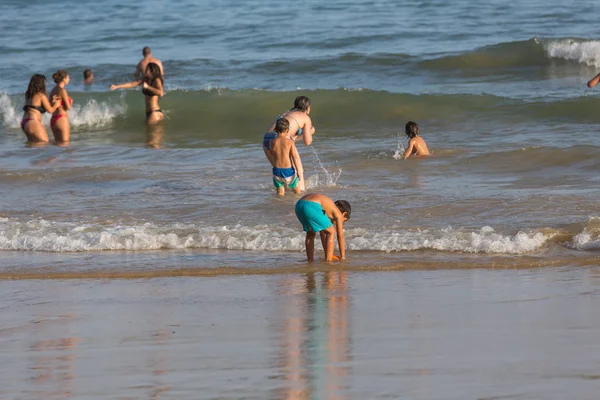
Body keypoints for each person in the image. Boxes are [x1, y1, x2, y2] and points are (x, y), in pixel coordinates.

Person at [263, 96, 315, 190]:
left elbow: (284, 135)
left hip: (267, 140)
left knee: (280, 171)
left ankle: (282, 197)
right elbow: (308, 142)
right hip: (280, 139)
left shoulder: (287, 112)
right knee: (297, 172)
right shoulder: (305, 117)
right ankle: (300, 195)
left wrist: (295, 137)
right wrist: (310, 132)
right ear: (308, 107)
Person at [295, 193, 351, 262]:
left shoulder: (326, 208)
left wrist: (328, 252)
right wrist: (343, 257)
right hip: (312, 206)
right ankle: (328, 261)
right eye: (344, 221)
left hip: (299, 205)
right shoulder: (338, 213)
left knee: (310, 233)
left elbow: (323, 233)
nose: (341, 223)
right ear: (344, 214)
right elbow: (340, 236)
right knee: (332, 232)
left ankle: (310, 260)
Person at [21, 74, 62, 143]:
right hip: (34, 122)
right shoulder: (41, 95)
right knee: (45, 143)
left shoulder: (28, 93)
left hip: (25, 122)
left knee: (33, 145)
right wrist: (57, 104)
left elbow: (36, 107)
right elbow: (50, 110)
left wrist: (51, 102)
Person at [268, 118, 304, 196]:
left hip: (276, 170)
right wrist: (299, 172)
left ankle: (280, 206)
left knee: (280, 192)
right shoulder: (290, 142)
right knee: (297, 191)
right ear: (287, 130)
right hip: (288, 171)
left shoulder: (272, 142)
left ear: (275, 129)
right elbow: (295, 157)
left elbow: (272, 153)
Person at [49, 70, 73, 144]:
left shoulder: (53, 90)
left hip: (53, 119)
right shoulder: (63, 90)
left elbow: (51, 105)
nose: (69, 79)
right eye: (68, 77)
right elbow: (68, 107)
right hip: (61, 118)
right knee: (65, 145)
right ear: (64, 79)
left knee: (57, 144)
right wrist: (71, 102)